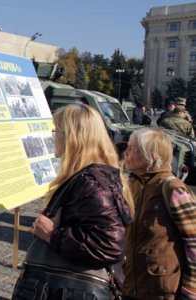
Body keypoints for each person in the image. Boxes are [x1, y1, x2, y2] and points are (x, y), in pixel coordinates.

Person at [12, 103, 134, 299]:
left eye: (57, 131)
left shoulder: (90, 183)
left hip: (71, 290)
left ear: (73, 137)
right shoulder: (93, 175)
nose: (53, 137)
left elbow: (110, 246)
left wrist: (52, 235)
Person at [122, 128, 196, 299]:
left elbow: (194, 243)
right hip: (132, 288)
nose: (125, 153)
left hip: (162, 293)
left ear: (151, 156)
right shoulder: (132, 185)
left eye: (132, 148)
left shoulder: (173, 189)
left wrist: (190, 292)